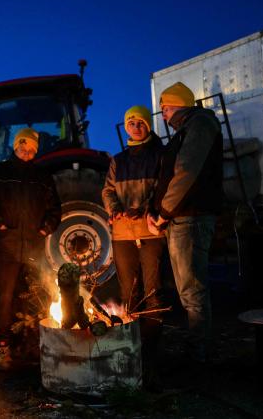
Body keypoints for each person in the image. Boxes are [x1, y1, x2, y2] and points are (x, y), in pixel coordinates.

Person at [147, 82, 223, 362]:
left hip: (190, 219)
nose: (163, 115)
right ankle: (196, 346)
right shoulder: (187, 130)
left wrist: (164, 212)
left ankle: (198, 352)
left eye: (164, 109)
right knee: (187, 288)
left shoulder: (199, 125)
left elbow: (186, 172)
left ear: (174, 105)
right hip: (180, 219)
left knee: (192, 289)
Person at [0, 127, 61, 370]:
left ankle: (31, 345)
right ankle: (2, 346)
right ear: (15, 146)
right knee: (4, 297)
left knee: (34, 295)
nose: (27, 150)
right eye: (23, 145)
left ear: (36, 149)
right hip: (7, 246)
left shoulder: (43, 177)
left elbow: (55, 209)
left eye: (32, 147)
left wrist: (45, 229)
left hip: (34, 248)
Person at [101, 105, 167, 389]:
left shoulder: (159, 156)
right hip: (122, 233)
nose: (136, 126)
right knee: (128, 290)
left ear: (148, 126)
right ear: (126, 127)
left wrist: (148, 208)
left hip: (150, 231)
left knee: (152, 289)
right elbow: (108, 190)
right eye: (131, 123)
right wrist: (115, 208)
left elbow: (164, 188)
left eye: (140, 122)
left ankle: (151, 351)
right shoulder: (119, 160)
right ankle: (131, 344)